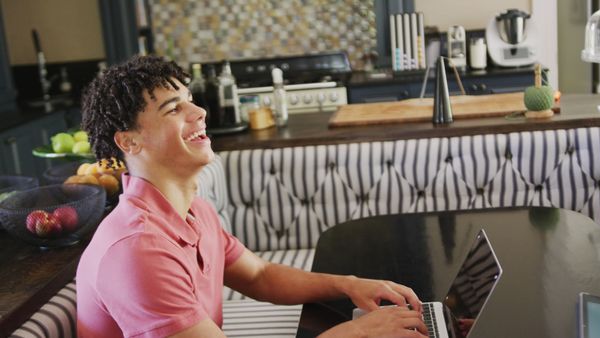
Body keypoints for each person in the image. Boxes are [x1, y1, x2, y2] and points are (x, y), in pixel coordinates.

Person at [75, 55, 429, 338]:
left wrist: (348, 284)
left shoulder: (192, 210)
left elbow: (259, 276)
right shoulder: (137, 251)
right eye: (173, 109)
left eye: (191, 101)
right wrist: (359, 333)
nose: (199, 113)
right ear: (129, 142)